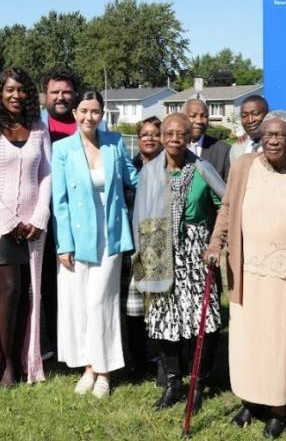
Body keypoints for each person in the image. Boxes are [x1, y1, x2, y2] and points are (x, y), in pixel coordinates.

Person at [207, 111, 286, 439]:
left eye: (280, 135)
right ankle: (250, 401)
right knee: (246, 341)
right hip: (246, 270)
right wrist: (216, 244)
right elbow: (226, 209)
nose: (272, 140)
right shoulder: (243, 167)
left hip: (283, 274)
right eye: (267, 134)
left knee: (277, 343)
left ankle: (278, 408)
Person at [132, 113, 226, 412]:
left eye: (180, 133)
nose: (174, 138)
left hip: (195, 250)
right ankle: (173, 384)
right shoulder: (149, 171)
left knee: (203, 322)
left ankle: (197, 383)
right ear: (161, 136)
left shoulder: (202, 169)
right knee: (162, 318)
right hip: (156, 245)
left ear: (189, 137)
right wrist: (142, 256)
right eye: (168, 133)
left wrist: (215, 241)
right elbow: (140, 213)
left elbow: (225, 204)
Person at [52, 90, 139, 398]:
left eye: (96, 111)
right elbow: (59, 200)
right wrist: (64, 244)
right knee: (79, 303)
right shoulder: (62, 149)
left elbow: (133, 179)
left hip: (111, 233)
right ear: (75, 113)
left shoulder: (115, 144)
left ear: (102, 114)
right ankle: (88, 365)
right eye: (84, 111)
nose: (90, 117)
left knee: (99, 301)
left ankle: (103, 371)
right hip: (77, 236)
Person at [0, 67, 52, 387]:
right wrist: (7, 218)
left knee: (27, 293)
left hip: (33, 226)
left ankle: (23, 358)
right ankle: (4, 364)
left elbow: (46, 175)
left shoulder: (39, 129)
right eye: (9, 90)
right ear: (0, 94)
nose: (16, 95)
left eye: (21, 90)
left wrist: (40, 216)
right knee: (9, 290)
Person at [39, 67, 80, 359]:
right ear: (45, 96)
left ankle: (79, 341)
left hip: (78, 216)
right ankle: (52, 342)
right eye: (55, 92)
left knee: (76, 280)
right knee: (45, 284)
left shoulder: (89, 127)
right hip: (43, 215)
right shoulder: (34, 126)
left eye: (66, 91)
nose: (61, 97)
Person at [122, 116, 162, 378]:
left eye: (154, 134)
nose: (149, 138)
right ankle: (137, 360)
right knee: (133, 308)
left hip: (156, 240)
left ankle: (161, 361)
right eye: (144, 134)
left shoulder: (167, 167)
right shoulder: (129, 167)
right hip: (130, 244)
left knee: (157, 305)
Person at [184, 98, 231, 180]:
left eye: (204, 116)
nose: (199, 121)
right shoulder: (174, 148)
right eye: (193, 116)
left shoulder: (223, 150)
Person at [230, 94, 270, 162]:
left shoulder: (284, 148)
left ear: (268, 114)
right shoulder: (236, 149)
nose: (250, 120)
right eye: (244, 116)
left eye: (255, 114)